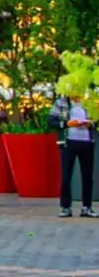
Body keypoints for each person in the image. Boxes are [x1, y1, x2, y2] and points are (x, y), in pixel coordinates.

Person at [53, 88, 95, 218]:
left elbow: (96, 121)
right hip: (68, 143)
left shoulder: (89, 103)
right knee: (66, 176)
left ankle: (86, 207)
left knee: (87, 177)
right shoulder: (61, 103)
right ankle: (66, 207)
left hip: (87, 142)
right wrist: (66, 124)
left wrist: (90, 125)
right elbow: (51, 121)